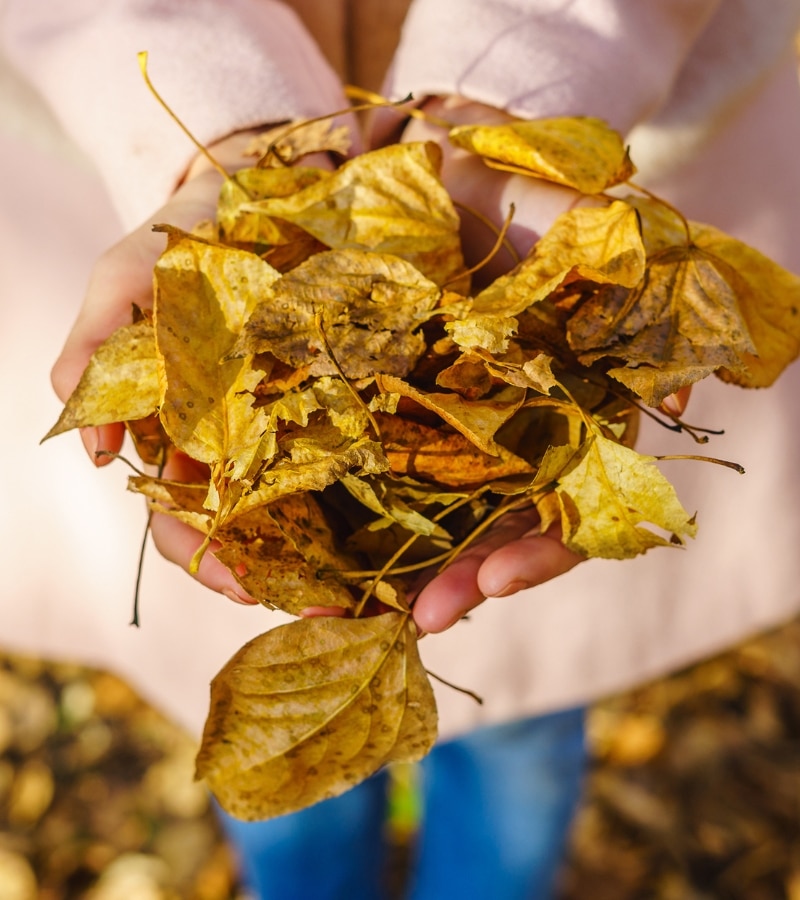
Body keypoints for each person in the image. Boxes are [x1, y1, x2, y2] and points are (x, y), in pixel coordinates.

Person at [3, 1, 800, 897]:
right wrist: (222, 134)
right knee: (293, 756)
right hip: (125, 153)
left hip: (613, 95)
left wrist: (497, 111)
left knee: (525, 723)